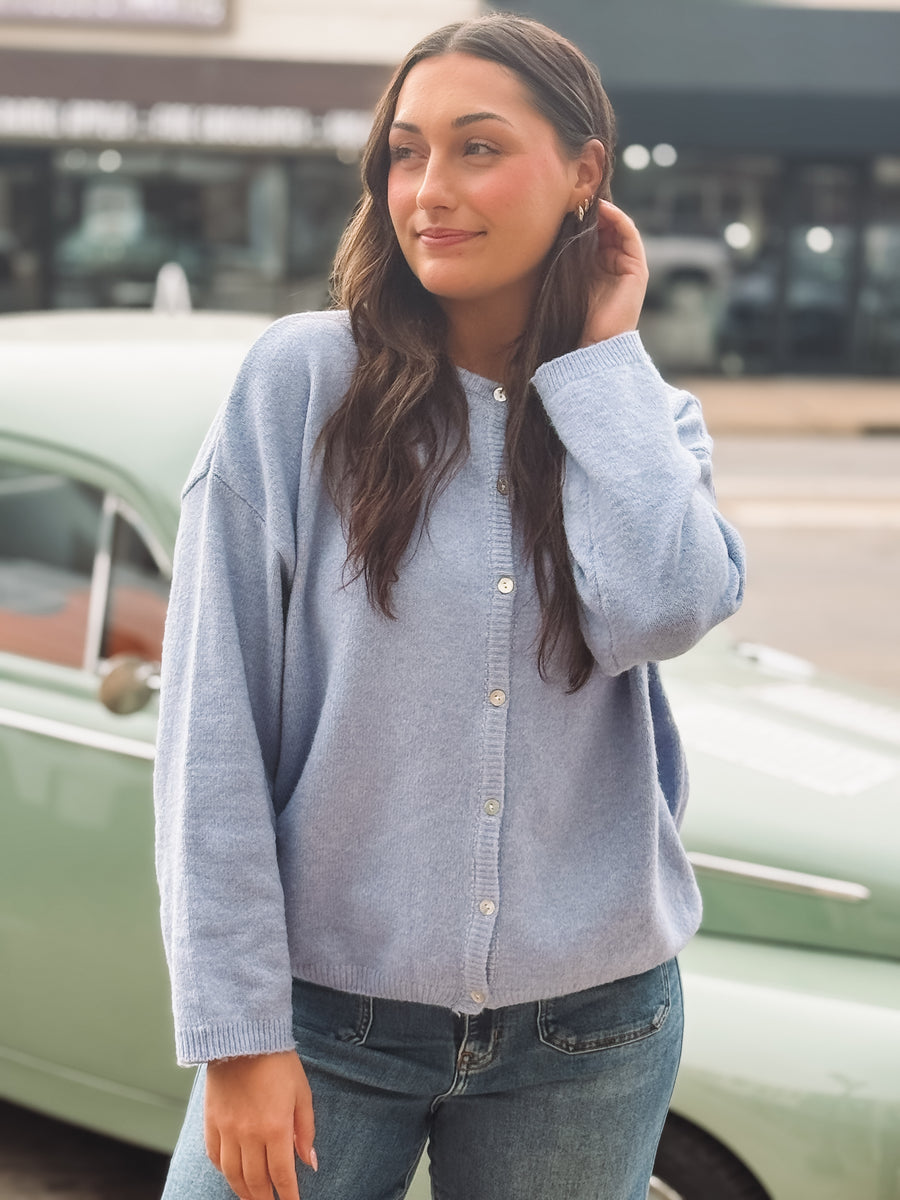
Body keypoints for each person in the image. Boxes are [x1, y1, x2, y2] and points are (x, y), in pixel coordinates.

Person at [154, 13, 745, 1200]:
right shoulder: (299, 385)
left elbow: (666, 610)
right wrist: (238, 1032)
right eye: (406, 152)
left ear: (585, 176)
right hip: (323, 1024)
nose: (429, 189)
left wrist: (595, 366)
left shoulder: (641, 415)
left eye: (478, 149)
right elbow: (209, 728)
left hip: (590, 1036)